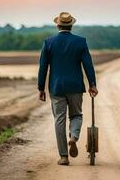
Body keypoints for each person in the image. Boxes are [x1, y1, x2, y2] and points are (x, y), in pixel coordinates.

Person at [38, 12, 98, 166]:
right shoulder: (80, 42)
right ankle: (74, 137)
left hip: (56, 87)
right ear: (71, 25)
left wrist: (41, 88)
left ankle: (64, 156)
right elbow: (88, 65)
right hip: (76, 86)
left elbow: (43, 67)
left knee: (59, 120)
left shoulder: (49, 42)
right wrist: (92, 84)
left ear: (57, 25)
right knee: (76, 115)